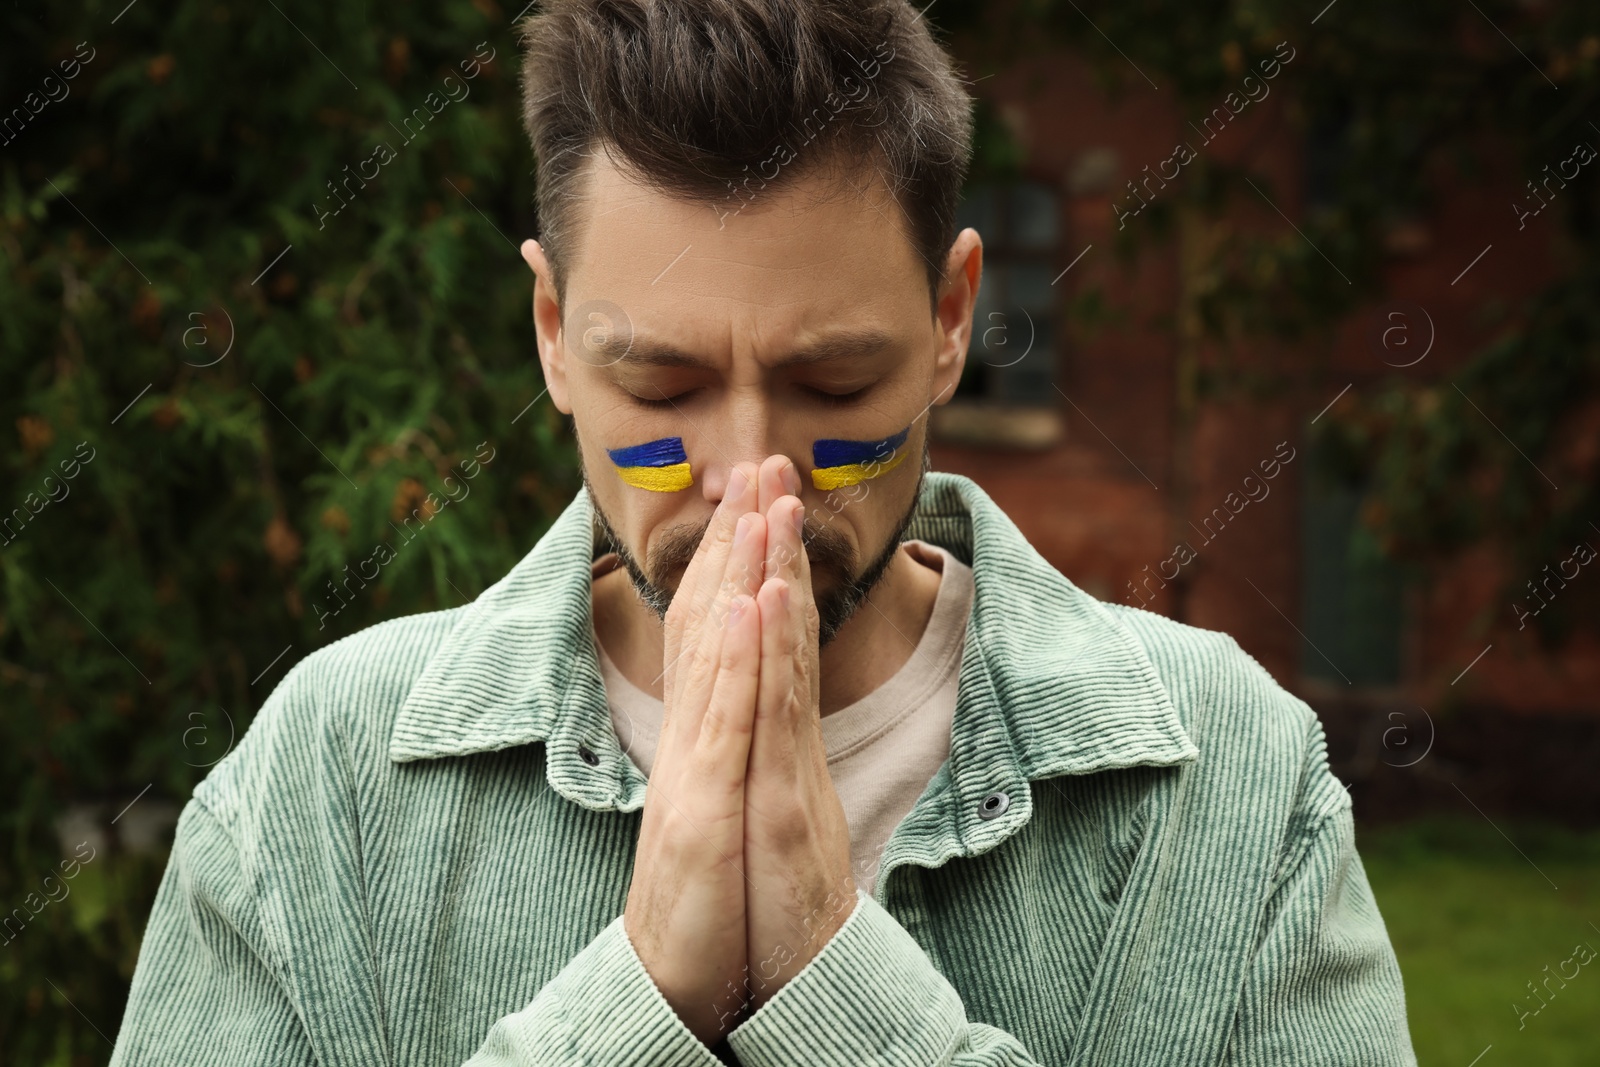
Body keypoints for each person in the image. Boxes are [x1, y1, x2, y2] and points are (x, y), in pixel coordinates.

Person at [109, 1, 1418, 1064]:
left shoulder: (1239, 782)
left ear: (954, 317)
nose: (753, 478)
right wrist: (637, 1003)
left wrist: (831, 981)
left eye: (835, 385)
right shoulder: (316, 791)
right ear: (556, 335)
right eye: (662, 389)